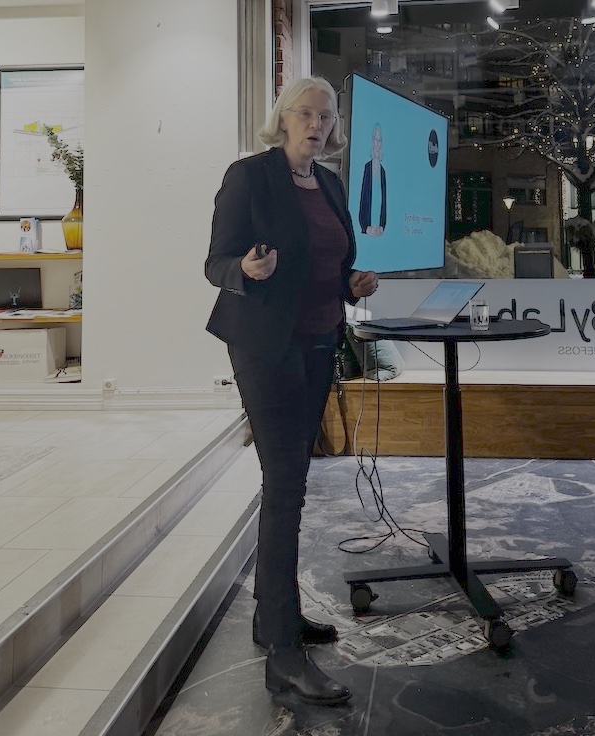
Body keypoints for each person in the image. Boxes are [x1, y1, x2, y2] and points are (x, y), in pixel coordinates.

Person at [204, 76, 379, 706]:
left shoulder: (330, 184)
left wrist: (352, 282)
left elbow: (332, 260)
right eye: (305, 113)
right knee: (284, 486)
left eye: (325, 116)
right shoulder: (250, 176)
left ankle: (273, 615)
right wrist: (246, 269)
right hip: (266, 347)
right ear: (283, 118)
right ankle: (282, 654)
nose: (315, 124)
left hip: (318, 342)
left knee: (294, 481)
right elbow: (216, 262)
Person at [358, 123, 387, 237]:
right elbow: (363, 198)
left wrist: (382, 226)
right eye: (375, 139)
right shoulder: (367, 167)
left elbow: (384, 202)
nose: (377, 144)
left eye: (379, 140)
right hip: (367, 228)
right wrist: (365, 227)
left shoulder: (383, 172)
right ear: (372, 141)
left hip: (378, 229)